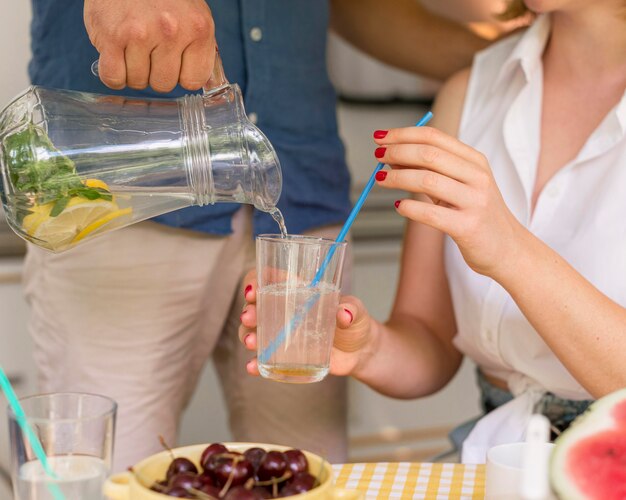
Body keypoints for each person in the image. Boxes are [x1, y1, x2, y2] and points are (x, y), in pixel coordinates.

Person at [24, 0, 491, 470]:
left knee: (303, 473)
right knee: (104, 476)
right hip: (123, 191)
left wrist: (507, 54)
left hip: (300, 186)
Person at [240, 0, 626, 463]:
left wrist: (511, 252)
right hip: (493, 462)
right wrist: (366, 348)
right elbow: (429, 341)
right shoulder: (471, 91)